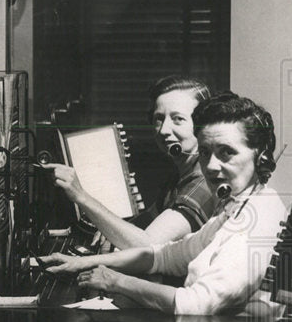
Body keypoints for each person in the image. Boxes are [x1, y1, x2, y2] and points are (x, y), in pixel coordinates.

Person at [41, 94, 287, 315]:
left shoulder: (256, 219)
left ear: (261, 156)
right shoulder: (236, 205)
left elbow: (196, 304)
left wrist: (115, 281)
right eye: (205, 152)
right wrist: (84, 262)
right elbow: (165, 255)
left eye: (226, 152)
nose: (211, 166)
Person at [44, 76, 218, 249]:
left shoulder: (204, 181)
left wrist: (80, 195)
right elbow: (143, 224)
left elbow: (147, 244)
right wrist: (111, 229)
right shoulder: (179, 175)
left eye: (178, 119)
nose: (164, 130)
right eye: (159, 119)